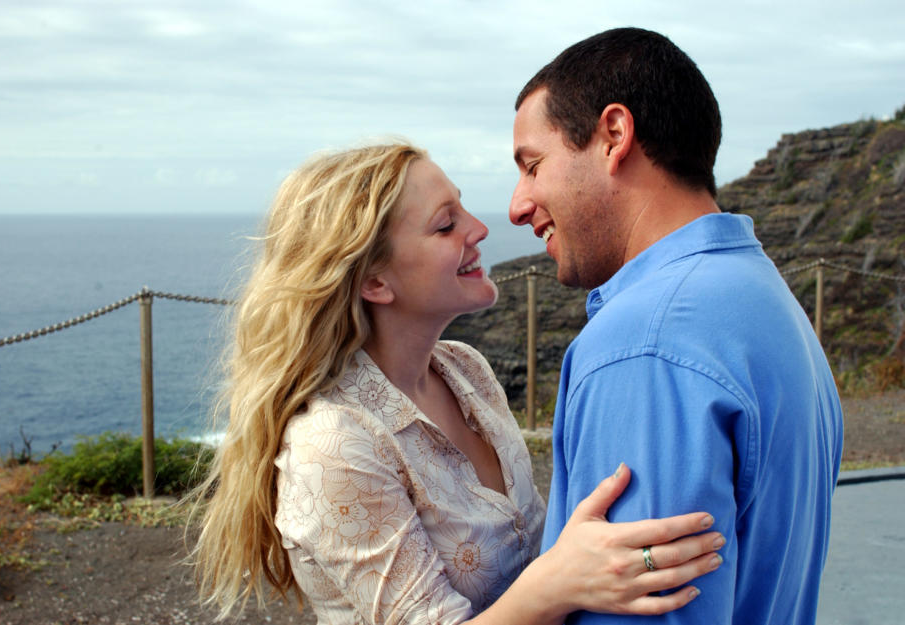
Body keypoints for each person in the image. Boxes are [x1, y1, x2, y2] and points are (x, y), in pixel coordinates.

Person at [189, 143, 725, 624]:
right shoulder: (334, 445)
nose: (480, 228)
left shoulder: (466, 370)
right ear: (375, 281)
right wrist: (556, 582)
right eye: (446, 225)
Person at [508, 28, 844, 624]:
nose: (517, 204)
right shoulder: (767, 300)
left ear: (614, 135)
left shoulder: (641, 347)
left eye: (534, 166)